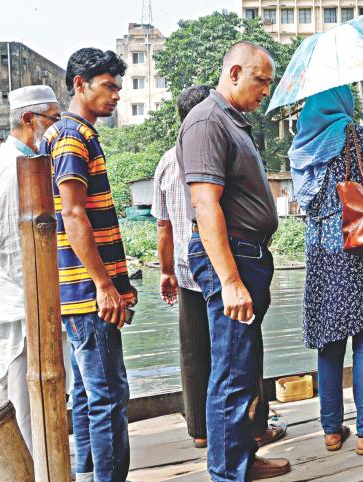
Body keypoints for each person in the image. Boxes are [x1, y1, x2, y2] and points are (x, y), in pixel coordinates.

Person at [176, 42, 290, 481]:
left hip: (249, 253)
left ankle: (240, 457)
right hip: (233, 258)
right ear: (236, 72)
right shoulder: (206, 120)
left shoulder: (232, 122)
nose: (265, 90)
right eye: (261, 80)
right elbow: (206, 206)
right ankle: (227, 472)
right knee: (231, 369)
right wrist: (229, 279)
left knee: (243, 366)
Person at [153, 85, 287, 451]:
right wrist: (230, 278)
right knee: (236, 361)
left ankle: (203, 431)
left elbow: (163, 225)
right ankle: (241, 444)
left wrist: (166, 271)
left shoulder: (167, 161)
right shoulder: (211, 146)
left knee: (199, 353)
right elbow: (207, 209)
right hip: (218, 263)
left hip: (187, 267)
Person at [290, 86, 363, 456]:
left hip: (319, 253)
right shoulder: (351, 133)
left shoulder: (301, 144)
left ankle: (331, 430)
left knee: (329, 340)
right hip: (356, 248)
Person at [40, 48, 135, 482]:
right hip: (86, 290)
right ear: (80, 85)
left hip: (78, 289)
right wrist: (104, 284)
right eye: (108, 86)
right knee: (108, 396)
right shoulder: (72, 137)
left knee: (88, 394)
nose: (115, 95)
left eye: (117, 86)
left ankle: (87, 475)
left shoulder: (70, 134)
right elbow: (73, 214)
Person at [0, 86, 68, 453]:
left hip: (23, 299)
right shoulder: (14, 167)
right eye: (52, 120)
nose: (56, 129)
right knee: (26, 405)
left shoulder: (21, 160)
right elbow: (8, 245)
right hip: (20, 302)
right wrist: (43, 294)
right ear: (29, 120)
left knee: (17, 401)